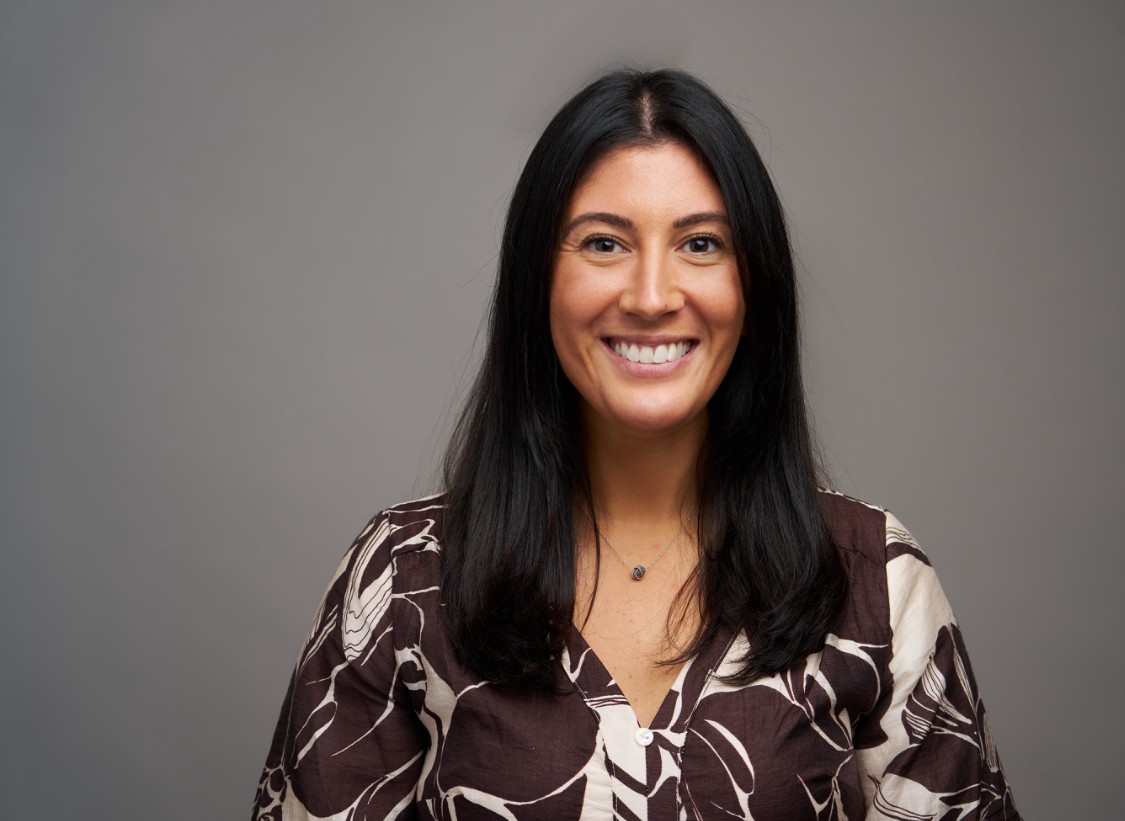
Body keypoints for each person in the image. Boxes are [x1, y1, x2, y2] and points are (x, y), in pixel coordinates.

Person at [253, 68, 1021, 821]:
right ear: (536, 282)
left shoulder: (875, 581)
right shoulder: (400, 580)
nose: (652, 296)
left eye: (701, 244)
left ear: (753, 288)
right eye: (603, 243)